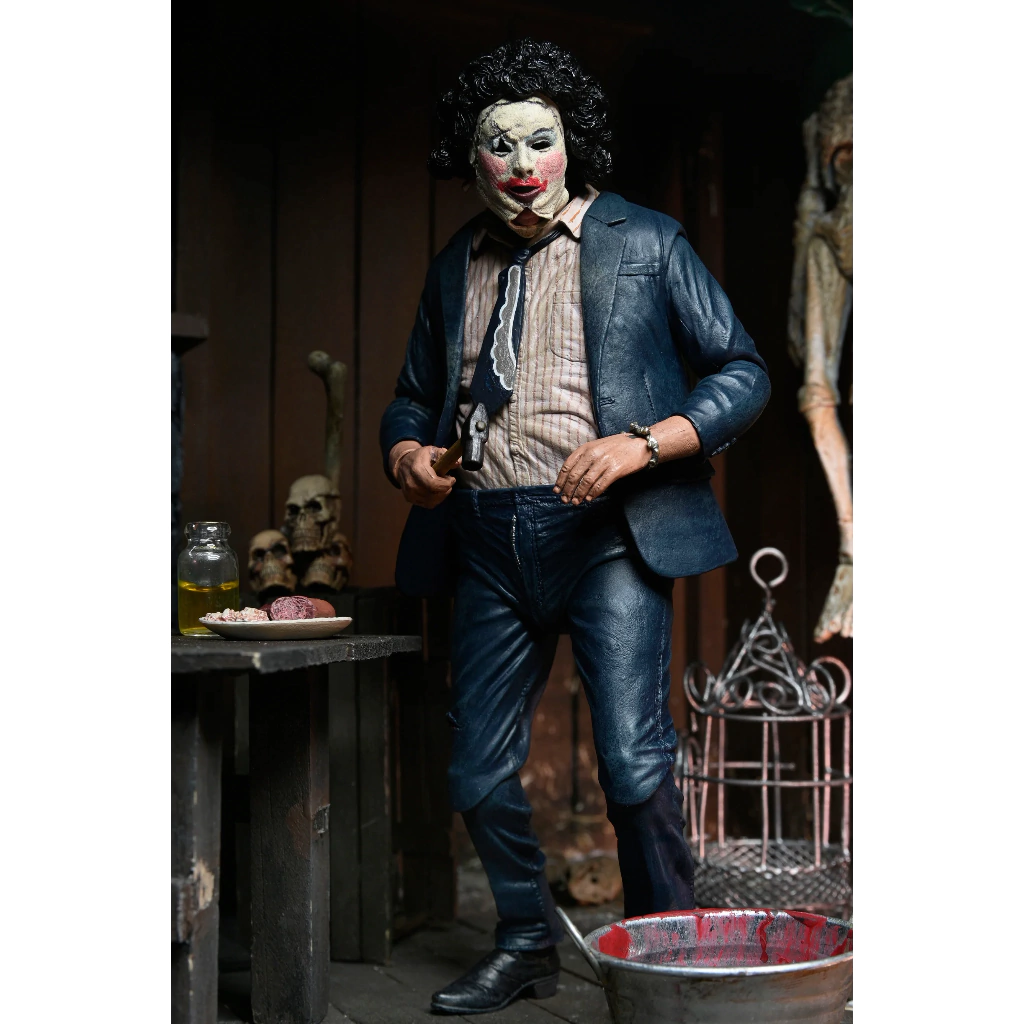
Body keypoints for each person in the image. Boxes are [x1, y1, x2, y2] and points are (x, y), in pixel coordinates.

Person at [379, 38, 770, 1016]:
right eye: (498, 145)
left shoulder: (646, 241)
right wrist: (407, 456)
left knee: (633, 763)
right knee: (474, 769)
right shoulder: (455, 263)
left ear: (573, 145)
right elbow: (412, 397)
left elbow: (743, 371)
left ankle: (666, 961)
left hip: (609, 535)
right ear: (470, 160)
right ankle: (525, 943)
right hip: (484, 537)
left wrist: (644, 444)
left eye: (539, 141)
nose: (520, 165)